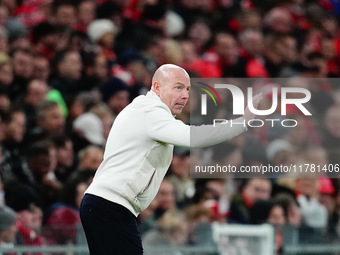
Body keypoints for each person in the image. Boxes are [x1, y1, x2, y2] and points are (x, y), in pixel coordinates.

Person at [79, 64, 262, 254]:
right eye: (178, 87)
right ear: (157, 87)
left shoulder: (143, 110)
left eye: (188, 89)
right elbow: (193, 137)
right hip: (111, 205)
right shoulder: (151, 112)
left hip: (103, 204)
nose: (185, 96)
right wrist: (241, 123)